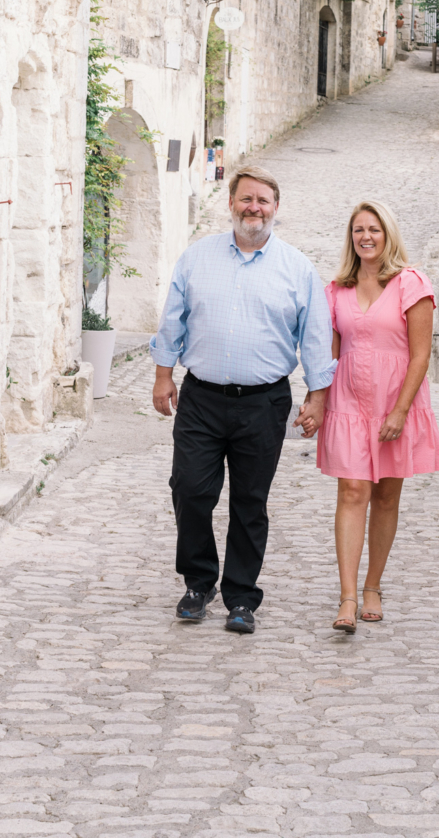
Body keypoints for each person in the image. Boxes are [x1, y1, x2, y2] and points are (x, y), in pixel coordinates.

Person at [151, 166, 336, 634]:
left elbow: (315, 338)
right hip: (202, 399)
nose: (254, 208)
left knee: (249, 502)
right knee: (190, 490)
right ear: (230, 203)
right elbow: (173, 321)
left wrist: (317, 398)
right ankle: (198, 584)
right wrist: (161, 376)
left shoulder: (297, 268)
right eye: (246, 199)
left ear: (275, 208)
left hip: (264, 403)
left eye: (263, 201)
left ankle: (240, 597)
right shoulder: (196, 258)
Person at [315, 199, 439, 632]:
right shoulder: (336, 289)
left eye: (374, 229)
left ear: (388, 235)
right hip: (349, 403)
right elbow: (329, 354)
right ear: (350, 238)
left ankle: (373, 585)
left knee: (386, 496)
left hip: (396, 404)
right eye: (358, 231)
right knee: (352, 492)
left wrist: (401, 410)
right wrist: (316, 400)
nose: (366, 237)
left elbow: (421, 356)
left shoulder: (411, 283)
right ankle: (347, 596)